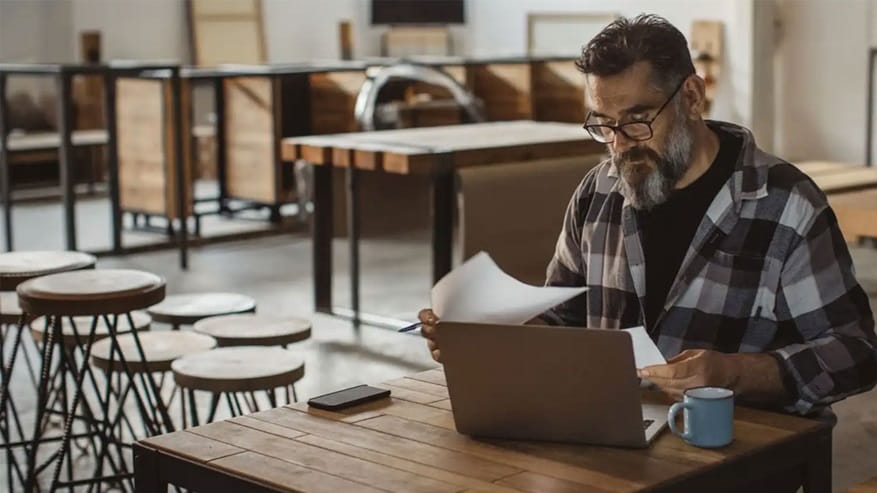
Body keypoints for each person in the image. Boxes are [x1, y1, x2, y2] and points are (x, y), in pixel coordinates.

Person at [419, 14, 877, 418]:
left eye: (637, 119)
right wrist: (484, 339)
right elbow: (562, 324)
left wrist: (734, 373)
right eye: (603, 124)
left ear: (692, 97)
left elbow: (856, 354)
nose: (620, 143)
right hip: (613, 433)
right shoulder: (597, 193)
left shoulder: (786, 205)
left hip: (739, 450)